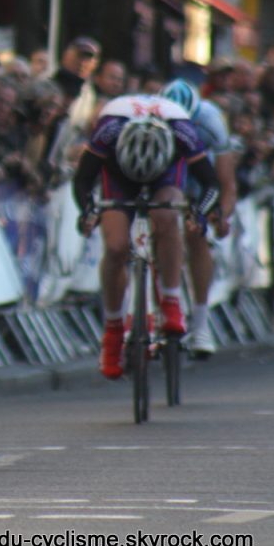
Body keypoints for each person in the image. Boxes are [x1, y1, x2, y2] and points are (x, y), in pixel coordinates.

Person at [72, 94, 222, 380]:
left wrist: (198, 213)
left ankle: (171, 301)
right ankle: (113, 332)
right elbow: (82, 179)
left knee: (167, 218)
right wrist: (88, 211)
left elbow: (211, 183)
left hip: (165, 171)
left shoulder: (182, 132)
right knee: (116, 247)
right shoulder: (108, 129)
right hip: (119, 173)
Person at [160, 79, 235, 356]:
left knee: (197, 234)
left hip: (199, 174)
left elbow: (225, 182)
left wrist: (221, 215)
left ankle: (201, 323)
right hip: (163, 167)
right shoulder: (149, 117)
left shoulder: (210, 120)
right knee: (159, 220)